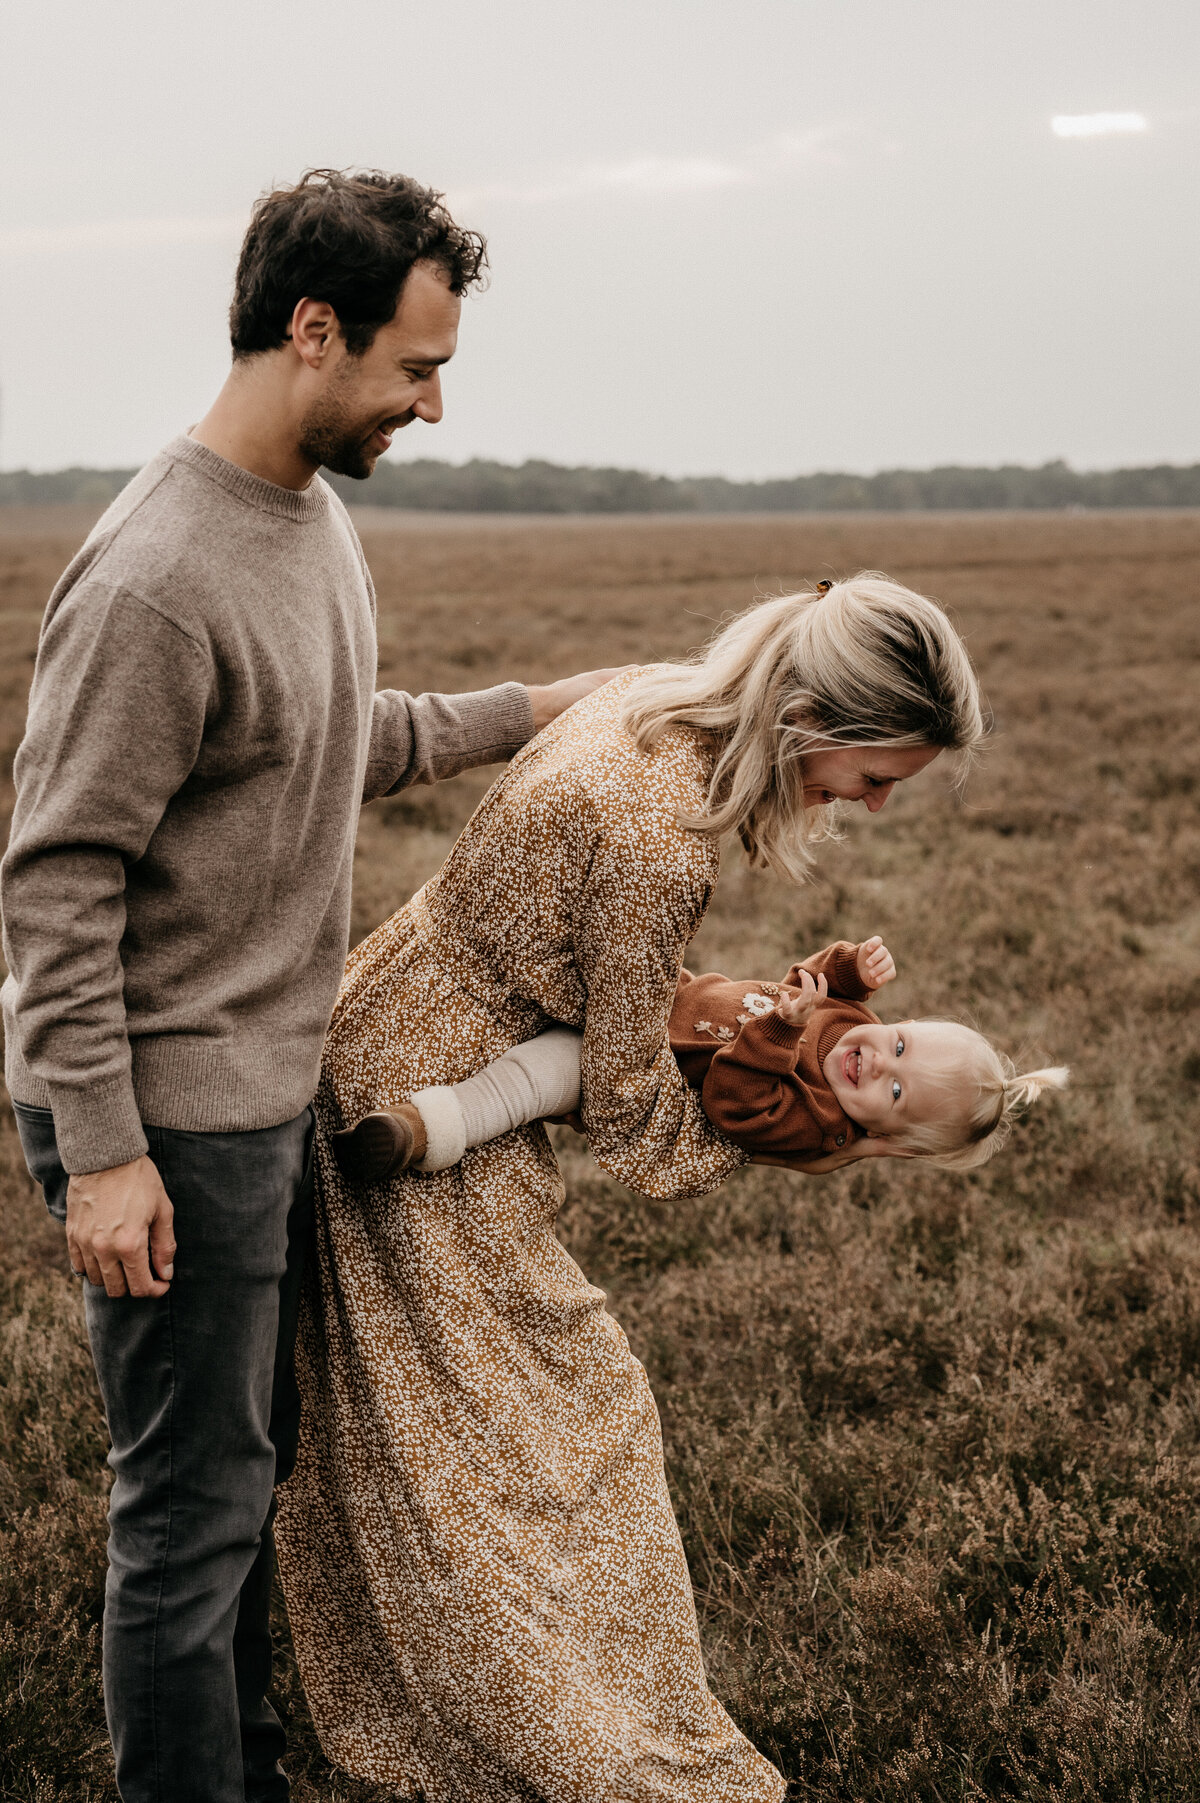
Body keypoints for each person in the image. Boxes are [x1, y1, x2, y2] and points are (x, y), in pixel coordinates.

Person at [0, 168, 620, 1803]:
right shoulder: (154, 578)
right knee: (190, 1513)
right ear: (313, 326)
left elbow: (354, 736)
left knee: (245, 1484)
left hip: (261, 1094)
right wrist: (109, 1151)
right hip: (166, 1119)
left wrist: (554, 703)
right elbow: (57, 882)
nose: (435, 402)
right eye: (417, 368)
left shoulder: (310, 517)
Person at [274, 574, 988, 1801]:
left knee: (453, 1414)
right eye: (878, 775)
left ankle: (481, 1689)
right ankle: (587, 1748)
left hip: (395, 1005)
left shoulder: (657, 697)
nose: (870, 803)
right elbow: (635, 1122)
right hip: (440, 1061)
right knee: (540, 1438)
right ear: (818, 718)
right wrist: (799, 1142)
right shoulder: (664, 840)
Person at [331, 933, 1069, 1180]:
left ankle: (417, 1130)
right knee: (554, 959)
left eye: (898, 1091)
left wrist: (782, 1032)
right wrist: (847, 967)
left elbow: (735, 1103)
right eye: (900, 1042)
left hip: (630, 1073)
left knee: (532, 1078)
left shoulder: (818, 1124)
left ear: (887, 1134)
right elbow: (808, 981)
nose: (877, 1061)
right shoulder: (854, 1024)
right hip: (665, 994)